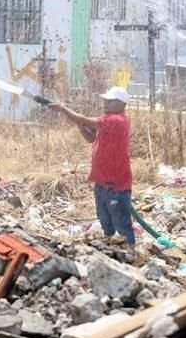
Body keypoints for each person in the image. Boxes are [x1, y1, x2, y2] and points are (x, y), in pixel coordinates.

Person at [50, 87, 135, 245]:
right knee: (106, 225)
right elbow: (90, 138)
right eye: (105, 100)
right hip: (102, 184)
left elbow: (84, 119)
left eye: (110, 101)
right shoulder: (108, 121)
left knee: (122, 227)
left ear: (121, 104)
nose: (105, 103)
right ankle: (111, 252)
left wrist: (62, 109)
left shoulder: (117, 120)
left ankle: (131, 255)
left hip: (115, 186)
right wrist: (79, 124)